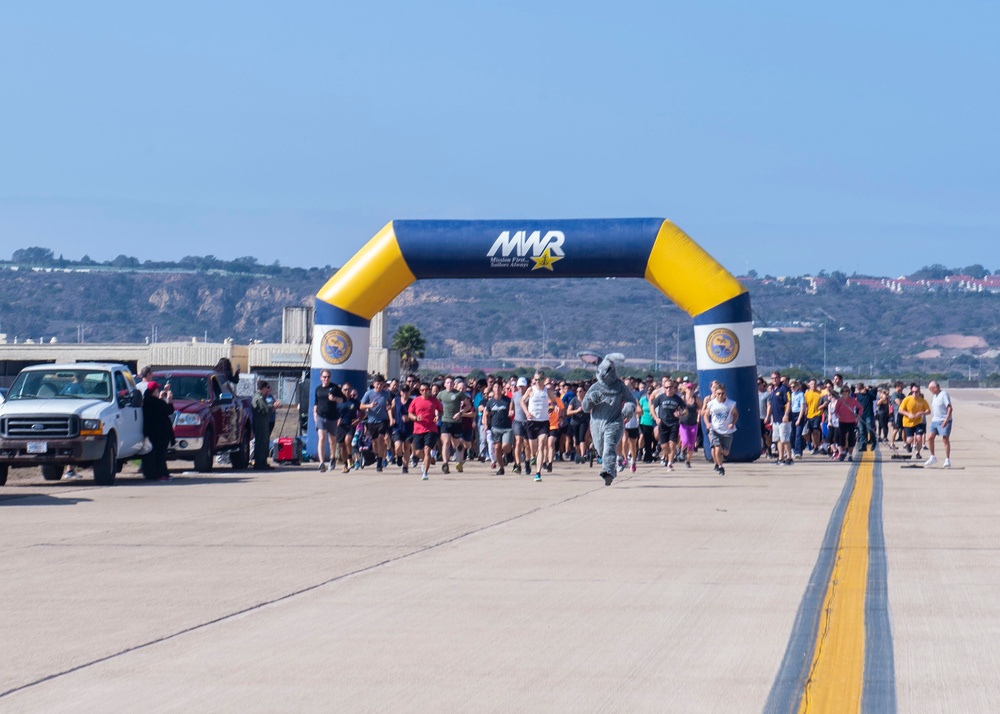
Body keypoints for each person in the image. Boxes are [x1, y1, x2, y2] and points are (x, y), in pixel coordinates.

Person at [581, 354, 637, 486]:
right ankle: (611, 468)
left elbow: (630, 400)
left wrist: (628, 408)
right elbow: (584, 407)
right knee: (601, 449)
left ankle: (607, 471)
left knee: (610, 444)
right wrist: (590, 400)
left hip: (614, 421)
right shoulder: (595, 387)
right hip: (597, 422)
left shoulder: (620, 386)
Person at [521, 371, 556, 482]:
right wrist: (526, 412)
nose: (537, 381)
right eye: (535, 379)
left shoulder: (548, 391)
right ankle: (532, 457)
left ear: (544, 379)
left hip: (543, 422)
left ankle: (538, 473)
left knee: (541, 446)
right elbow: (522, 401)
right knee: (533, 448)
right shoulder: (531, 390)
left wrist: (554, 407)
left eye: (539, 379)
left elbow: (554, 402)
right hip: (532, 421)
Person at [407, 382, 443, 480]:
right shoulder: (415, 401)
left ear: (429, 390)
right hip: (418, 429)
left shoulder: (434, 401)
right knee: (418, 452)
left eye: (426, 390)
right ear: (420, 391)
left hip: (431, 428)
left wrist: (438, 416)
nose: (424, 392)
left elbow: (440, 411)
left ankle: (425, 473)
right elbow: (409, 413)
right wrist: (415, 418)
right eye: (422, 390)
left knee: (427, 449)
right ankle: (427, 460)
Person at [142, 381, 175, 481]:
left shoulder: (146, 401)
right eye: (157, 389)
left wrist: (160, 398)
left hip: (151, 431)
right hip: (161, 432)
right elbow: (169, 410)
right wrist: (169, 399)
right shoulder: (156, 402)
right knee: (161, 454)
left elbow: (158, 407)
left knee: (157, 452)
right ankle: (160, 474)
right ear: (154, 391)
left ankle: (164, 472)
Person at [703, 382, 737, 476]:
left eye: (722, 393)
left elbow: (735, 414)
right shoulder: (711, 404)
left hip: (727, 431)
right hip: (715, 430)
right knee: (717, 448)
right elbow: (705, 415)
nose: (720, 396)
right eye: (718, 394)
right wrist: (707, 423)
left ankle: (725, 456)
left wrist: (732, 423)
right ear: (715, 393)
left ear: (725, 393)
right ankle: (720, 467)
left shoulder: (730, 404)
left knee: (725, 451)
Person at [360, 374, 393, 472]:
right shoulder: (368, 394)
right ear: (374, 384)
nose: (379, 386)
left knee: (381, 439)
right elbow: (361, 406)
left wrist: (391, 418)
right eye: (378, 384)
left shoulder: (386, 394)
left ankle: (380, 462)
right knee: (374, 443)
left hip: (383, 420)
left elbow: (389, 406)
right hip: (372, 421)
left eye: (381, 384)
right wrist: (370, 406)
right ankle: (377, 456)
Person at [313, 370, 345, 472]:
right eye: (325, 377)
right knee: (321, 438)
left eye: (328, 377)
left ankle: (332, 458)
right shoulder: (318, 389)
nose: (326, 379)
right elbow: (316, 403)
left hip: (332, 417)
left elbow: (343, 399)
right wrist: (315, 413)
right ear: (321, 378)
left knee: (332, 441)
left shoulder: (334, 387)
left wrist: (334, 398)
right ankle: (322, 463)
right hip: (321, 417)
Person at [652, 379, 685, 470]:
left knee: (672, 444)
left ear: (674, 388)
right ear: (664, 388)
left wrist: (680, 414)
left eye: (671, 387)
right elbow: (652, 406)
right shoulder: (660, 397)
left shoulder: (677, 398)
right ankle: (665, 455)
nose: (669, 389)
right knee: (664, 446)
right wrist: (656, 418)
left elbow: (686, 410)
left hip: (674, 423)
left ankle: (670, 463)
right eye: (667, 387)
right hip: (663, 423)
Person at [483, 382, 513, 475]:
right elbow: (486, 414)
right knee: (497, 448)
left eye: (499, 387)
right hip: (495, 427)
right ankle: (501, 468)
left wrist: (511, 412)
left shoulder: (507, 400)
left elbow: (512, 409)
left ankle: (508, 454)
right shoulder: (490, 402)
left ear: (502, 389)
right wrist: (485, 425)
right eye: (495, 387)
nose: (497, 389)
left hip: (507, 427)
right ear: (493, 389)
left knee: (505, 446)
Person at [766, 371, 792, 465]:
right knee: (778, 439)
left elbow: (788, 402)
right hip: (776, 418)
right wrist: (768, 416)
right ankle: (780, 458)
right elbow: (770, 404)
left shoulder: (784, 389)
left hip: (783, 418)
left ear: (779, 378)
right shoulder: (773, 390)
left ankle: (789, 457)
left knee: (785, 438)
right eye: (772, 378)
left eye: (776, 378)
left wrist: (786, 414)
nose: (774, 380)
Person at [899, 385, 931, 460]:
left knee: (919, 437)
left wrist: (922, 413)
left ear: (919, 392)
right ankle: (908, 444)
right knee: (910, 438)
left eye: (916, 392)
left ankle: (918, 453)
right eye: (913, 392)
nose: (915, 393)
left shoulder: (922, 401)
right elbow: (900, 410)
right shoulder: (907, 399)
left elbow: (928, 411)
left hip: (918, 422)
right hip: (908, 422)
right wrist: (908, 414)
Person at [925, 381, 953, 468]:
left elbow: (950, 408)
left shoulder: (944, 394)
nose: (930, 390)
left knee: (945, 439)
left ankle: (947, 459)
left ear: (936, 388)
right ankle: (932, 456)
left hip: (944, 420)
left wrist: (946, 420)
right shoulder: (935, 396)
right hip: (935, 420)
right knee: (930, 437)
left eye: (931, 388)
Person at [251, 380, 274, 470]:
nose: (267, 390)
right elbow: (265, 410)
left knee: (265, 442)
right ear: (263, 388)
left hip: (263, 422)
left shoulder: (262, 397)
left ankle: (263, 462)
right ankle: (259, 462)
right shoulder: (259, 397)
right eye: (266, 388)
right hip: (260, 422)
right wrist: (273, 407)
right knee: (261, 442)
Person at [678, 382, 701, 468]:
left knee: (691, 444)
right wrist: (679, 414)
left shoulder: (696, 399)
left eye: (692, 388)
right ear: (685, 390)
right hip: (683, 423)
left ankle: (688, 461)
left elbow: (701, 408)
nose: (690, 390)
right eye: (688, 388)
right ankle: (682, 451)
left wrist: (699, 416)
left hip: (693, 423)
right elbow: (677, 409)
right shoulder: (682, 399)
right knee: (685, 441)